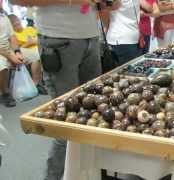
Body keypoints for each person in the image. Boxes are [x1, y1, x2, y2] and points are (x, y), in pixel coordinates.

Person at [10, 0, 104, 180]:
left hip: (91, 37)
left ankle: (86, 174)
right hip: (58, 39)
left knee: (94, 114)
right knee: (65, 124)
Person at [1, 10, 36, 107]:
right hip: (2, 52)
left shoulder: (4, 17)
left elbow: (12, 37)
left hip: (9, 49)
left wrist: (17, 52)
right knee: (1, 65)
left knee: (35, 55)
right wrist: (10, 56)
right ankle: (5, 93)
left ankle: (34, 84)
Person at [8, 14, 47, 95]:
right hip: (24, 51)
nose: (17, 24)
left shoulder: (29, 29)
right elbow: (17, 48)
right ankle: (36, 83)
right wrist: (29, 43)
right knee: (36, 56)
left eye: (18, 22)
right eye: (14, 24)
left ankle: (43, 81)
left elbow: (39, 38)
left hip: (36, 47)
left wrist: (32, 42)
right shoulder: (14, 35)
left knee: (43, 51)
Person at [106, 0, 152, 65]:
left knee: (135, 70)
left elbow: (150, 9)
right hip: (121, 40)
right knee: (130, 71)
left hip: (133, 38)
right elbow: (106, 9)